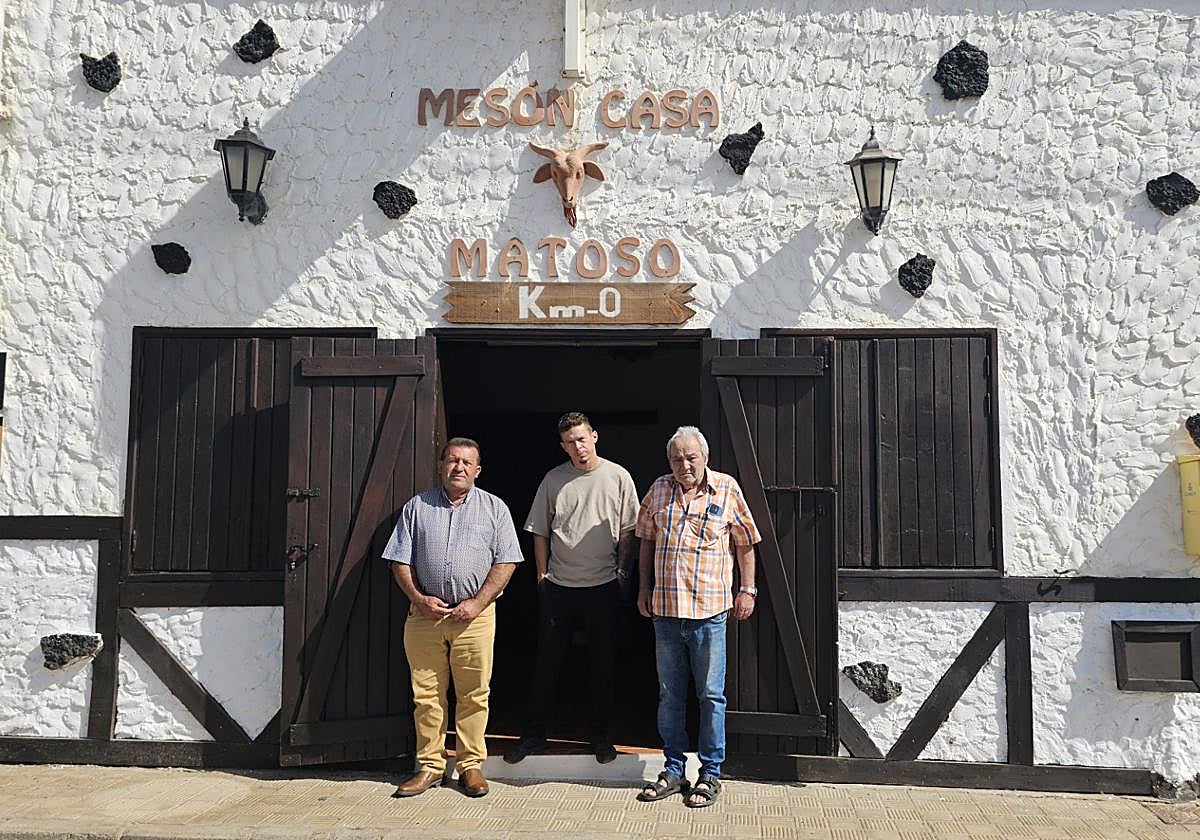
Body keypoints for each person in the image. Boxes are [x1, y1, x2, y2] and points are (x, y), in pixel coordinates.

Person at [384, 437, 523, 799]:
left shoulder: (495, 508)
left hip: (474, 618)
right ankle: (429, 766)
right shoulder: (417, 507)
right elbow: (399, 560)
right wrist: (418, 598)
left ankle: (470, 766)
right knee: (426, 695)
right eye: (452, 460)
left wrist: (477, 603)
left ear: (478, 470)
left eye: (466, 462)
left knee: (474, 693)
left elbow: (506, 562)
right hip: (424, 617)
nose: (458, 467)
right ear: (441, 464)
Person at [634, 426, 760, 809]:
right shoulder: (658, 489)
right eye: (676, 458)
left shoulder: (727, 488)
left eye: (690, 457)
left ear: (704, 457)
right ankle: (673, 770)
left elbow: (746, 543)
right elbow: (646, 542)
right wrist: (642, 589)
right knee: (670, 695)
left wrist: (748, 589)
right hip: (667, 613)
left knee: (710, 695)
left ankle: (710, 774)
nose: (683, 465)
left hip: (709, 613)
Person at [504, 411, 639, 765]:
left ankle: (601, 737)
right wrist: (541, 576)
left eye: (582, 438)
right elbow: (540, 531)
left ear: (594, 436)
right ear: (562, 445)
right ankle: (534, 736)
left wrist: (623, 573)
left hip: (604, 585)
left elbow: (629, 529)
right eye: (569, 442)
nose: (577, 446)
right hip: (560, 587)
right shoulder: (554, 480)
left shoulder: (618, 476)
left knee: (602, 665)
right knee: (547, 664)